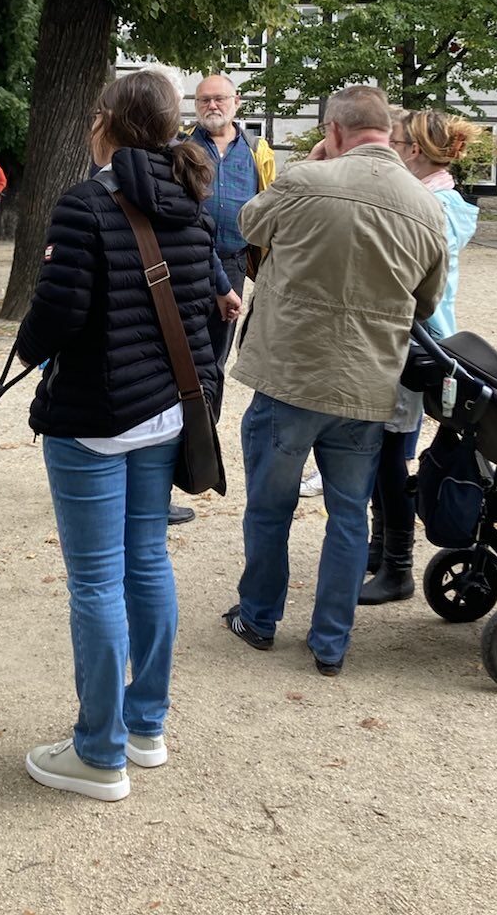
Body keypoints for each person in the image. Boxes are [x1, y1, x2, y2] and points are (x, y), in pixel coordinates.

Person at [16, 69, 218, 801]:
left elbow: (59, 319)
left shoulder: (84, 206)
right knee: (147, 562)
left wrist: (30, 331)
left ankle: (100, 753)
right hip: (164, 410)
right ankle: (145, 727)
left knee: (98, 580)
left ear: (103, 121)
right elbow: (194, 309)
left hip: (97, 420)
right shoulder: (189, 203)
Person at [222, 85, 447, 675]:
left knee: (270, 506)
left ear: (335, 130)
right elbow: (427, 302)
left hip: (290, 375)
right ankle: (331, 642)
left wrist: (314, 164)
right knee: (349, 514)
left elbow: (248, 224)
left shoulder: (305, 182)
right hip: (367, 384)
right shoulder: (426, 206)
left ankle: (259, 616)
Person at [358, 108, 480, 604]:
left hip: (417, 343)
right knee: (382, 448)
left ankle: (398, 564)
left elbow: (416, 278)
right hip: (409, 337)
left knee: (390, 453)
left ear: (412, 150)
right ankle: (380, 543)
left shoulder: (436, 206)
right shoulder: (433, 199)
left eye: (397, 140)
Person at [186, 74, 277, 419]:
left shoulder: (257, 151)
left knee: (217, 353)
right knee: (181, 347)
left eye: (219, 99)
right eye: (204, 100)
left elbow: (269, 205)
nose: (212, 106)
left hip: (235, 262)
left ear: (236, 102)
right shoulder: (181, 148)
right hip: (186, 262)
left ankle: (206, 428)